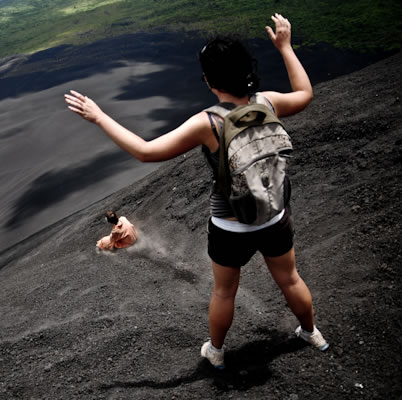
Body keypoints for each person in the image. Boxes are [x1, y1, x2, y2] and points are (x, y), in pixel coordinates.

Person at [65, 13, 328, 369]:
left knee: (224, 291)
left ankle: (216, 352)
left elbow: (145, 152)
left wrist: (98, 117)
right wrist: (284, 47)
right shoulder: (268, 102)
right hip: (274, 213)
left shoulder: (209, 123)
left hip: (231, 225)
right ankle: (311, 333)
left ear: (209, 80)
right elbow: (306, 93)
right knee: (290, 278)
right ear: (247, 71)